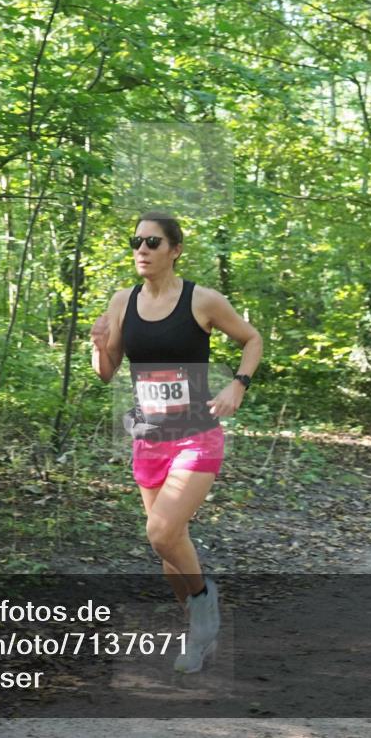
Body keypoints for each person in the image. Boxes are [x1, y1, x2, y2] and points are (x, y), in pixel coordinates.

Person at [90, 211, 263, 674]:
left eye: (152, 242)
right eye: (136, 242)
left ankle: (205, 606)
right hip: (149, 437)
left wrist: (237, 385)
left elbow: (252, 339)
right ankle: (198, 631)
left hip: (196, 436)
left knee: (161, 531)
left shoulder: (202, 300)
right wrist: (98, 344)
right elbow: (106, 373)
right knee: (169, 545)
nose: (141, 250)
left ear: (175, 250)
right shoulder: (122, 301)